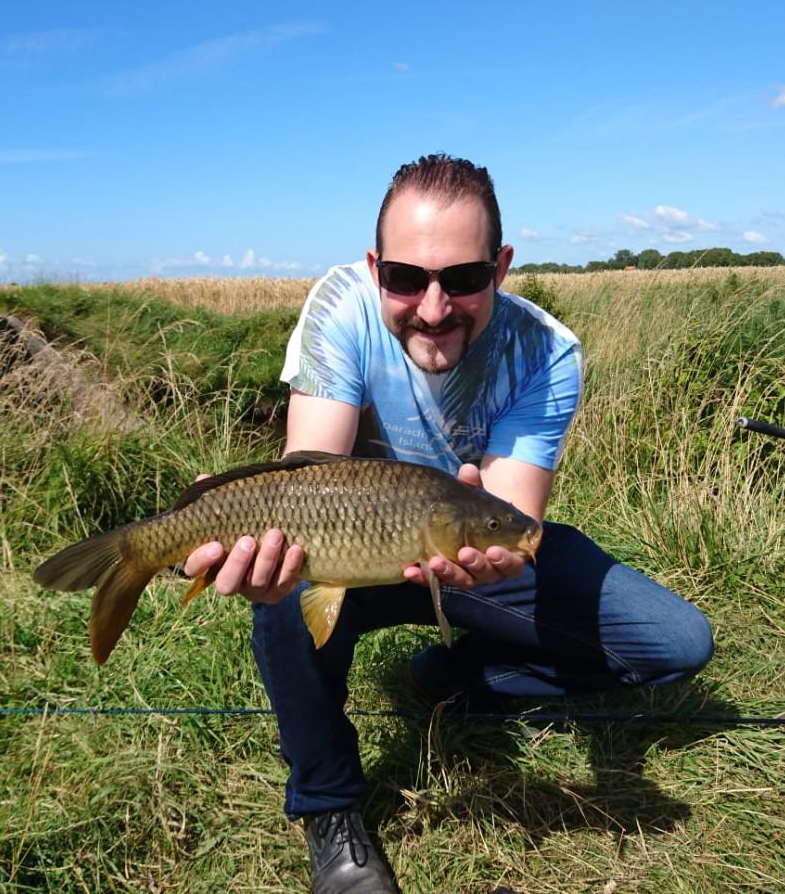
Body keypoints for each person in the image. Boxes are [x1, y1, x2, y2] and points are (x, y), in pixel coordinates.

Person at [184, 154, 713, 893]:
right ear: (376, 269)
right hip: (351, 545)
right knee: (285, 591)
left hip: (465, 552)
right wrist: (242, 528)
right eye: (406, 278)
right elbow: (308, 471)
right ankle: (330, 809)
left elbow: (515, 521)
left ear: (501, 267)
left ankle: (454, 679)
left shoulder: (545, 350)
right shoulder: (341, 307)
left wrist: (502, 549)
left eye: (463, 278)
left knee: (678, 641)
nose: (433, 308)